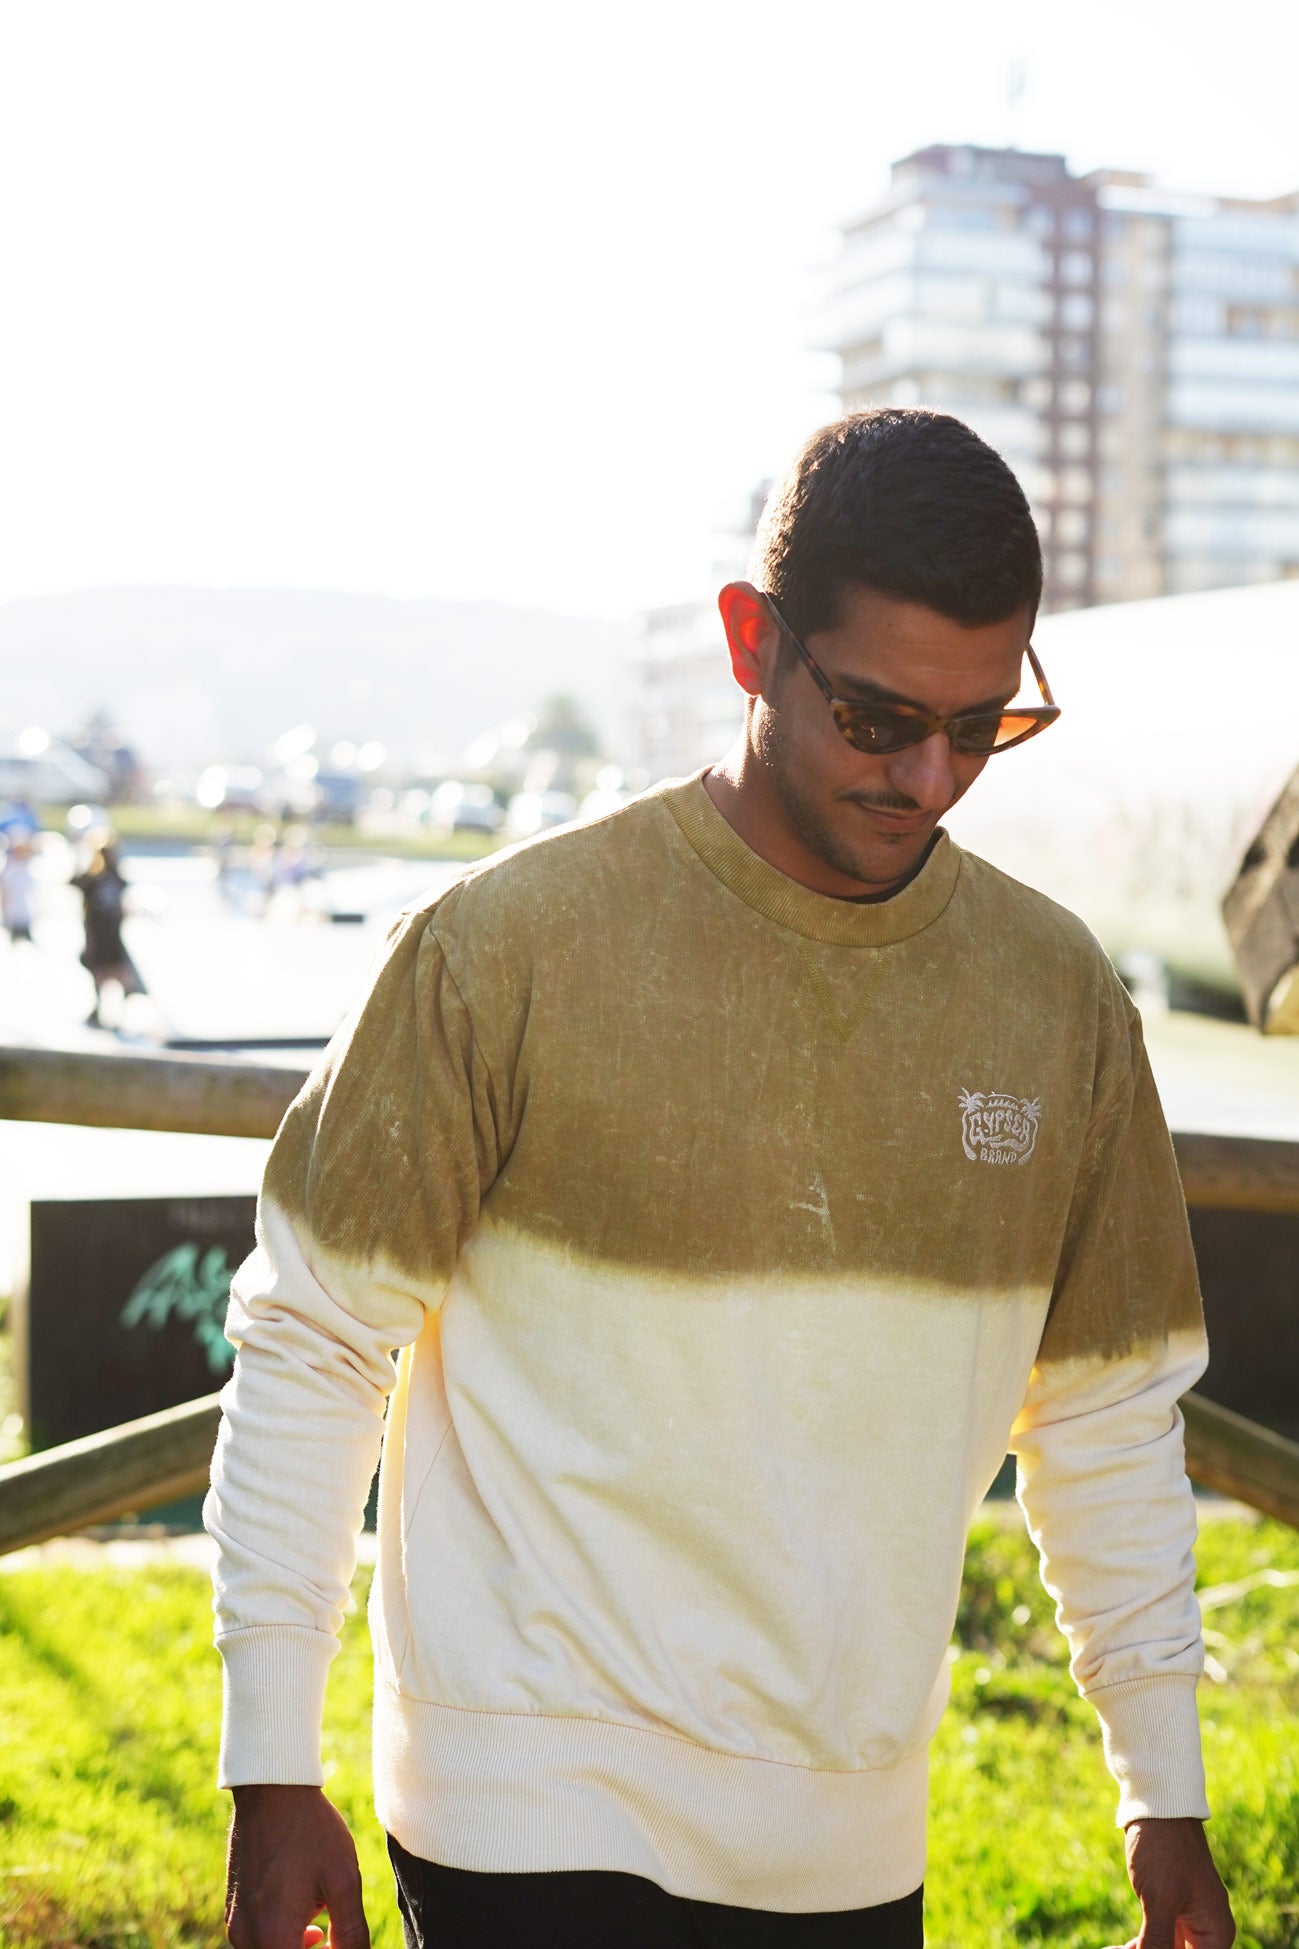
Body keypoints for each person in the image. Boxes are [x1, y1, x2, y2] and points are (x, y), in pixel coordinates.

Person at [208, 409, 1235, 1949]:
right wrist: (269, 1763)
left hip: (843, 1838)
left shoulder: (1058, 1000)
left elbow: (1102, 1417)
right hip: (519, 1806)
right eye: (877, 717)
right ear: (752, 641)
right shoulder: (504, 946)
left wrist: (1163, 1792)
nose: (928, 777)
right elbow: (311, 1341)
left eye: (980, 728)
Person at [71, 833, 145, 1028]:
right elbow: (74, 882)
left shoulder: (115, 877)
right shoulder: (92, 880)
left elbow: (123, 903)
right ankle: (99, 1010)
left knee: (116, 973)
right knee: (100, 974)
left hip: (112, 934)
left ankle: (120, 1012)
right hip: (97, 934)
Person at [0, 835, 35, 943]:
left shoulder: (29, 867)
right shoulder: (9, 870)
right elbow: (5, 893)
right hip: (14, 914)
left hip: (26, 913)